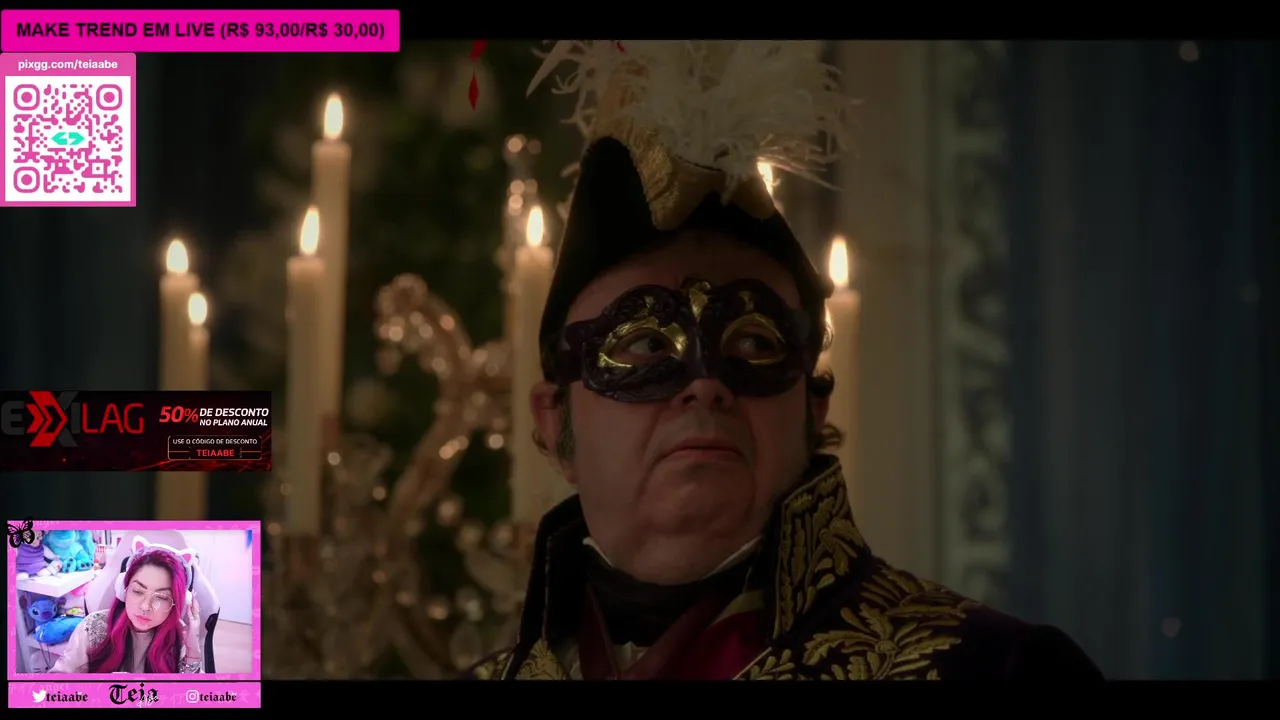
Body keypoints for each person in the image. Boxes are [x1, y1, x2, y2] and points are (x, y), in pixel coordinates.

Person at [461, 40, 1103, 681]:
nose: (706, 385)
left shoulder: (999, 670)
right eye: (649, 345)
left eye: (753, 344)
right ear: (555, 421)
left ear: (813, 412)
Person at [50, 541, 203, 674]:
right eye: (138, 591)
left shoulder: (179, 636)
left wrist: (192, 650)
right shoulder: (93, 628)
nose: (145, 606)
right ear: (123, 590)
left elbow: (194, 693)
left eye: (161, 597)